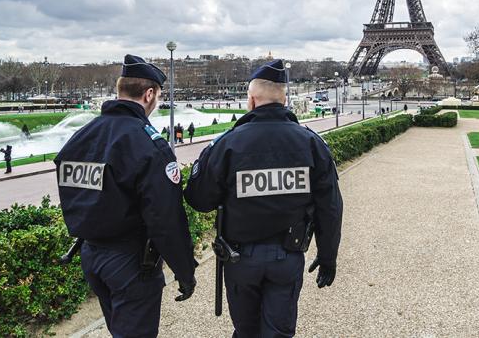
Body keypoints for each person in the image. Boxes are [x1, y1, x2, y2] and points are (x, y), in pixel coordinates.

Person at [185, 59, 343, 338]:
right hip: (288, 255)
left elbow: (200, 200)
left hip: (240, 257)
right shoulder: (310, 142)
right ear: (285, 99)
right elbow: (329, 206)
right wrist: (327, 254)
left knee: (245, 331)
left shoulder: (228, 144)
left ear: (251, 100)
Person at [55, 54, 197, 338]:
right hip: (130, 261)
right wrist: (184, 270)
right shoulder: (147, 143)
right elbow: (165, 218)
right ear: (149, 94)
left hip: (91, 255)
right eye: (157, 96)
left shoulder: (82, 135)